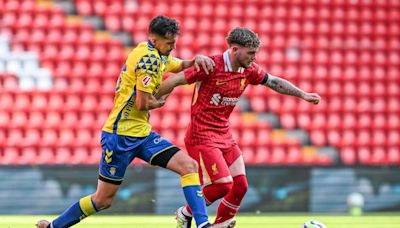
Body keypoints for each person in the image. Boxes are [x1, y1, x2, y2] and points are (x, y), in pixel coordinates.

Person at [37, 15, 216, 228]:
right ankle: (54, 227)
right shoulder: (147, 59)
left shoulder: (157, 53)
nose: (173, 46)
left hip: (141, 134)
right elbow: (142, 103)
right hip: (119, 136)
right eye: (170, 43)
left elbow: (180, 64)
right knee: (102, 200)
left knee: (189, 166)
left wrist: (197, 59)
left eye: (175, 42)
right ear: (154, 39)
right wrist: (164, 96)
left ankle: (203, 224)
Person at [156, 27, 321, 228]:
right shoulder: (210, 65)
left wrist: (303, 94)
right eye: (250, 53)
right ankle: (185, 213)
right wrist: (152, 99)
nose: (254, 57)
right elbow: (175, 79)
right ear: (234, 50)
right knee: (223, 185)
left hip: (224, 134)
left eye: (255, 53)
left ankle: (219, 225)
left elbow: (274, 82)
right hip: (202, 135)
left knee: (240, 186)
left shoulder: (249, 70)